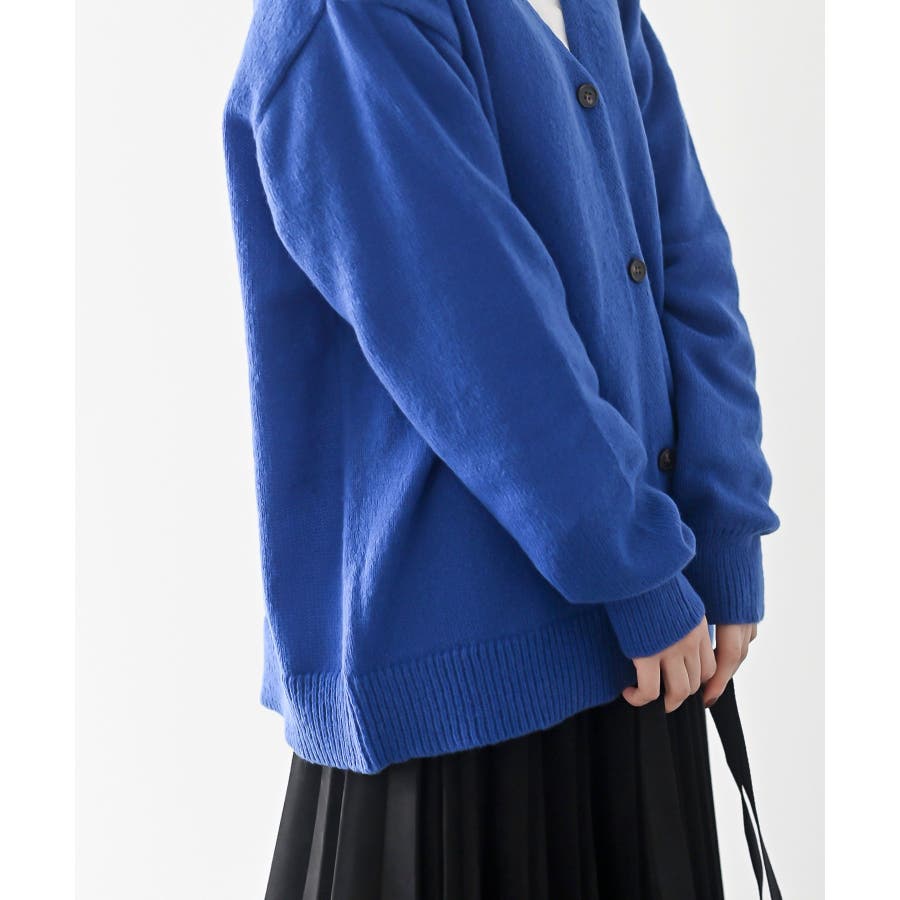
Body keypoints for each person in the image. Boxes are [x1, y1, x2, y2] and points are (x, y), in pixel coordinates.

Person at [222, 0, 783, 896]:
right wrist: (637, 566)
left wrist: (722, 526)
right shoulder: (344, 17)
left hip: (644, 654)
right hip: (457, 700)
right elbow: (475, 334)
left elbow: (687, 255)